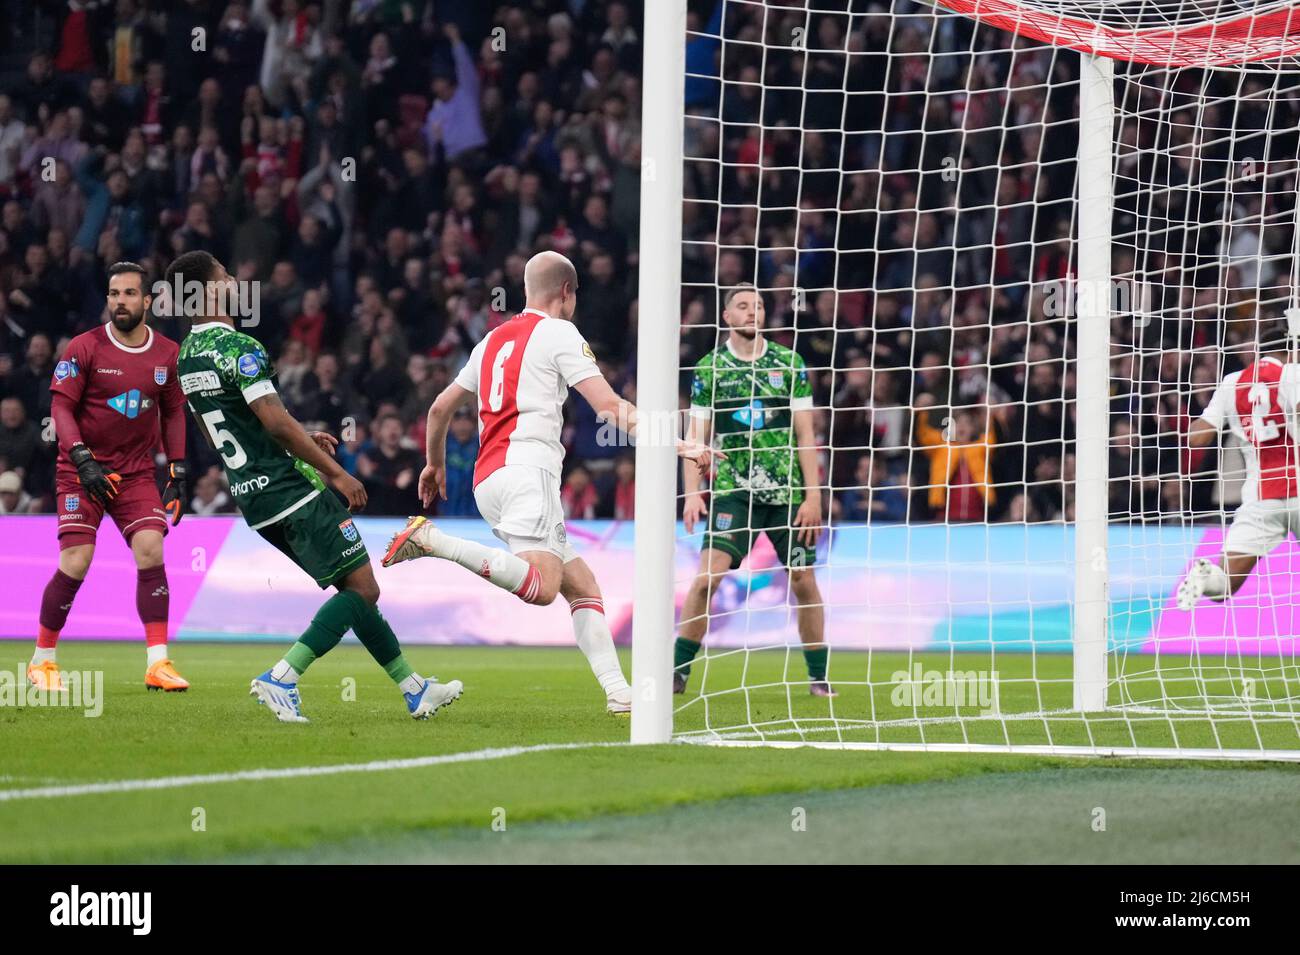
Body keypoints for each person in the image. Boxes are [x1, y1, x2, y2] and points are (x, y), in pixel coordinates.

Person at [382, 251, 716, 714]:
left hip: (488, 480)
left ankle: (620, 694)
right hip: (528, 471)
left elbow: (439, 408)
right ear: (567, 292)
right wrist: (679, 444)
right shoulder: (560, 332)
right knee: (542, 587)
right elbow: (609, 408)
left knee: (582, 588)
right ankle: (433, 540)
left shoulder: (490, 340)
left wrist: (434, 465)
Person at [168, 250, 460, 723]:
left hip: (254, 497)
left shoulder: (186, 358)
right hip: (293, 491)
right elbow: (274, 422)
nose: (234, 278)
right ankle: (282, 676)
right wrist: (335, 470)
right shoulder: (239, 348)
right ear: (207, 291)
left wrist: (298, 435)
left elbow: (222, 429)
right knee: (363, 591)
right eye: (225, 274)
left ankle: (414, 688)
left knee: (353, 589)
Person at [28, 261, 190, 693]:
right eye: (114, 294)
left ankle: (158, 663)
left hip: (135, 473)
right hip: (81, 471)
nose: (121, 302)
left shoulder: (167, 354)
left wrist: (177, 468)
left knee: (151, 549)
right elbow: (60, 408)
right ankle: (42, 660)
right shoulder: (85, 347)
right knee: (77, 561)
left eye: (130, 294)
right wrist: (81, 458)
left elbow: (174, 411)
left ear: (148, 301)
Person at [675, 284, 833, 697]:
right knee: (706, 580)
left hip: (788, 496)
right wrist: (693, 493)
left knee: (802, 579)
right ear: (726, 317)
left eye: (759, 306)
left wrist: (814, 496)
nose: (752, 312)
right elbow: (696, 437)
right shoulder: (710, 369)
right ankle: (678, 671)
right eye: (743, 306)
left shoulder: (789, 362)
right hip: (732, 492)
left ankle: (819, 677)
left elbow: (805, 435)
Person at [1178, 320, 1300, 609]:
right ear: (1291, 351)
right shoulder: (1292, 374)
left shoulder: (1232, 382)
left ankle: (1205, 577)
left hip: (1260, 498)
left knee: (1224, 587)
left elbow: (1198, 436)